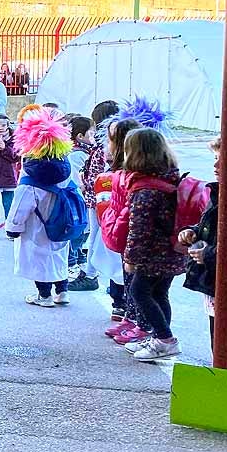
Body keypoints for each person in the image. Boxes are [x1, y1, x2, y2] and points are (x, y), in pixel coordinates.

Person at [118, 128, 188, 362]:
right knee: (160, 293)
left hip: (152, 254)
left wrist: (130, 259)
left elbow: (139, 230)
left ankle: (165, 339)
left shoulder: (145, 189)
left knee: (139, 291)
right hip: (172, 250)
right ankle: (159, 337)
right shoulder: (169, 176)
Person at [181, 138, 227, 371]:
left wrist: (209, 255)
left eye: (222, 159)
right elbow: (212, 226)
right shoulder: (220, 193)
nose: (216, 166)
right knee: (220, 350)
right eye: (215, 159)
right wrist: (193, 231)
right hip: (217, 289)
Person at [7, 110, 77, 308]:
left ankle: (44, 296)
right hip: (62, 219)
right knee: (59, 256)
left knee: (39, 260)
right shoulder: (65, 168)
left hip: (38, 225)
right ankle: (63, 291)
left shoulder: (30, 177)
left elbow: (21, 205)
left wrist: (13, 227)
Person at [99, 118, 143, 342]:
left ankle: (145, 328)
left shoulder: (136, 176)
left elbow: (133, 213)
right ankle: (131, 318)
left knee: (142, 288)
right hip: (123, 234)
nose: (107, 144)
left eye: (111, 139)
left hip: (135, 239)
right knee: (130, 283)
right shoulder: (119, 169)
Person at [73, 100, 122, 293]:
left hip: (101, 195)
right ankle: (96, 273)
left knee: (98, 235)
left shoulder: (107, 141)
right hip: (99, 193)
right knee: (97, 235)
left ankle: (92, 274)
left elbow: (102, 168)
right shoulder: (108, 139)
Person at [66, 116, 95, 277]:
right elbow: (78, 179)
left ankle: (79, 256)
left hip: (85, 198)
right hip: (79, 199)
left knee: (84, 231)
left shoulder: (86, 152)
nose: (94, 136)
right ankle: (71, 261)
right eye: (91, 133)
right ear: (80, 136)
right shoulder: (77, 155)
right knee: (79, 231)